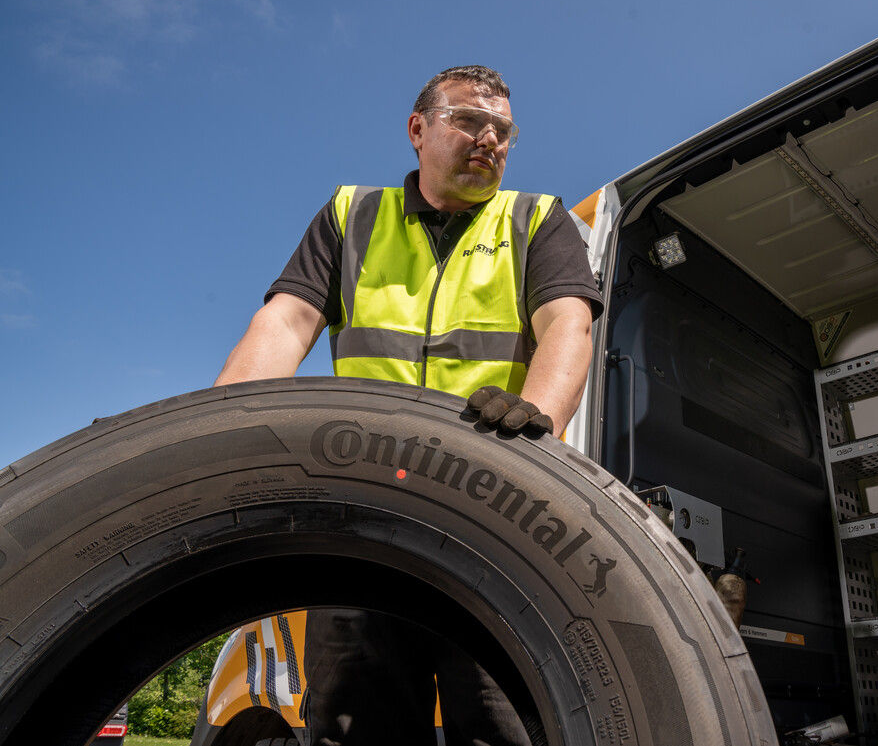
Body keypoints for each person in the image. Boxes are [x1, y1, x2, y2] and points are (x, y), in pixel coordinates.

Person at [215, 65, 602, 745]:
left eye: (503, 130)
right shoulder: (352, 215)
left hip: (492, 516)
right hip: (360, 517)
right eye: (469, 121)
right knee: (357, 726)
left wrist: (539, 422)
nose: (489, 139)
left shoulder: (536, 218)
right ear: (418, 129)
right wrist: (222, 437)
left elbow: (568, 325)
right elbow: (285, 323)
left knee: (501, 724)